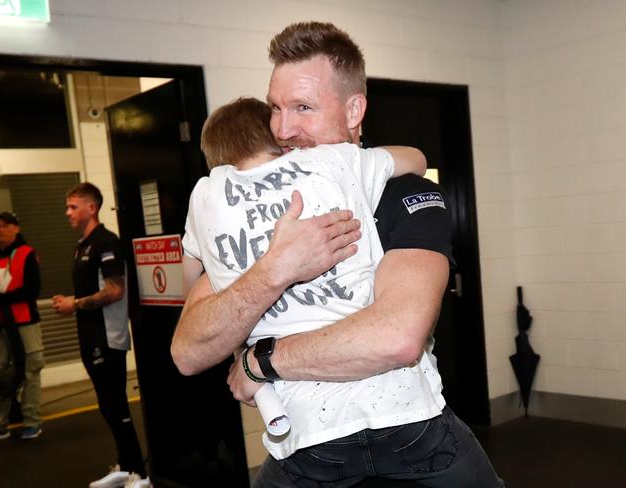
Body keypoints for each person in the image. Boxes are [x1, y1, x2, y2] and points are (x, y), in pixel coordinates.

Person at [172, 21, 504, 488]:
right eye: (275, 108)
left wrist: (258, 362)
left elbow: (397, 339)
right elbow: (188, 350)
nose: (283, 129)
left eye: (303, 108)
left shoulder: (403, 194)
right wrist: (276, 268)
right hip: (305, 446)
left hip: (407, 428)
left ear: (354, 111)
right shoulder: (262, 212)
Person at [52, 183, 149, 488]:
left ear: (91, 208)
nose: (67, 212)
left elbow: (115, 290)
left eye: (73, 206)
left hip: (108, 338)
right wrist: (73, 301)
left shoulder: (107, 242)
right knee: (107, 406)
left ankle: (141, 475)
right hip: (89, 335)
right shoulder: (83, 244)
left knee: (116, 404)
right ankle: (126, 464)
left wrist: (74, 304)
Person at [0, 212, 44, 440]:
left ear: (16, 228)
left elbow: (32, 290)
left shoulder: (27, 254)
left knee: (31, 370)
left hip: (25, 322)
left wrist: (4, 298)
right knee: (1, 371)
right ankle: (1, 422)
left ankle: (32, 421)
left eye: (5, 225)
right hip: (2, 325)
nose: (0, 230)